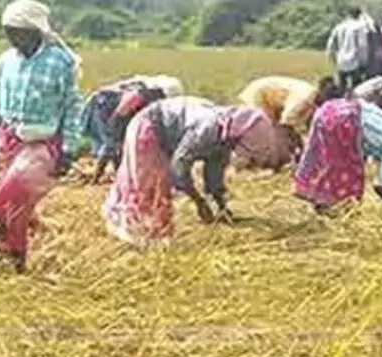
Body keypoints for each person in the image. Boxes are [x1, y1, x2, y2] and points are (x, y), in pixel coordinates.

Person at [0, 0, 83, 272]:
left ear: (34, 30)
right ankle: (13, 256)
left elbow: (72, 106)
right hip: (8, 140)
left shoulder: (60, 62)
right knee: (15, 205)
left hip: (43, 141)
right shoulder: (4, 62)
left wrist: (69, 148)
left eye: (16, 32)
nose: (11, 38)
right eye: (8, 32)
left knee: (14, 191)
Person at [102, 99, 282, 248]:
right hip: (149, 127)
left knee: (160, 190)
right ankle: (133, 235)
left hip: (167, 133)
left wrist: (221, 207)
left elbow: (214, 171)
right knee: (149, 185)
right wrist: (199, 201)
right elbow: (179, 166)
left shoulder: (226, 134)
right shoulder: (207, 129)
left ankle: (154, 237)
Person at [293, 77, 382, 217]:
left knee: (335, 166)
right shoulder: (358, 104)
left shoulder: (326, 111)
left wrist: (303, 174)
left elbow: (313, 146)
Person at [326, 8, 369, 92]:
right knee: (357, 90)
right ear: (359, 15)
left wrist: (333, 60)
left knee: (341, 88)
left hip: (341, 61)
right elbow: (362, 45)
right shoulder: (360, 27)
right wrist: (364, 62)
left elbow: (331, 45)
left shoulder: (339, 27)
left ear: (348, 15)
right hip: (355, 61)